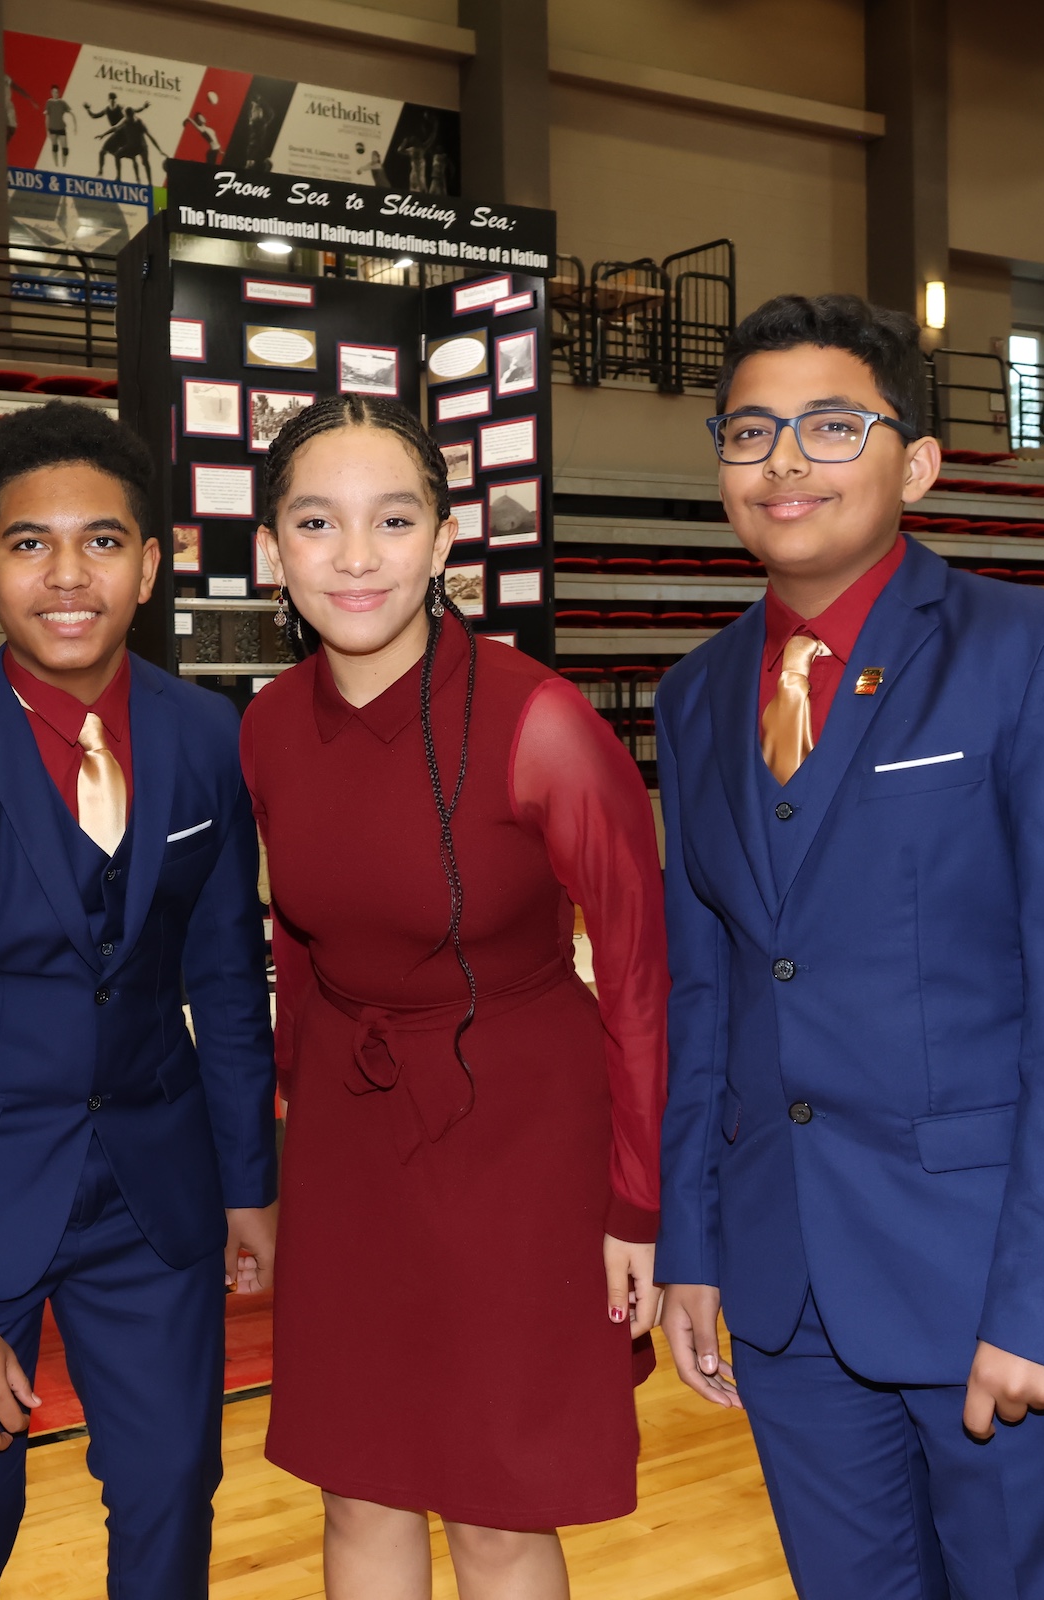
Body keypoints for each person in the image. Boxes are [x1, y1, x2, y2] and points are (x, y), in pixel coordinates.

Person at [653, 295, 1044, 1600]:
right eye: (751, 430)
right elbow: (710, 996)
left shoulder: (1041, 653)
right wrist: (696, 1246)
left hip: (994, 1283)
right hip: (786, 1293)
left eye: (831, 427)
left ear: (917, 463)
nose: (784, 463)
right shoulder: (698, 692)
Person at [0, 402, 276, 1599]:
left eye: (101, 541)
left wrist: (250, 1184)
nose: (67, 574)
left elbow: (228, 976)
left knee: (173, 1493)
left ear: (152, 560)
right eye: (31, 544)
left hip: (156, 1192)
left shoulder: (204, 738)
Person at [241, 394, 667, 1598]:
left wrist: (638, 1203)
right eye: (318, 522)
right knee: (357, 1483)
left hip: (524, 1138)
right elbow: (297, 944)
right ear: (273, 549)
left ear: (444, 542)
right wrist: (283, 1149)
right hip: (350, 1139)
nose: (357, 556)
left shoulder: (542, 722)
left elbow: (638, 971)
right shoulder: (266, 729)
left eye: (394, 519)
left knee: (497, 1503)